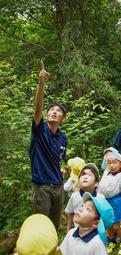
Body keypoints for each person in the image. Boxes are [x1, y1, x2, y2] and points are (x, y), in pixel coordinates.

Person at [29, 62, 67, 230]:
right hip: (42, 187)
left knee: (53, 227)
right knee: (41, 228)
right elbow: (37, 109)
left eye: (58, 111)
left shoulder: (63, 138)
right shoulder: (39, 131)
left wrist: (63, 168)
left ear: (62, 118)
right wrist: (41, 84)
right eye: (51, 109)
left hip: (58, 187)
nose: (53, 111)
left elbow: (60, 160)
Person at [97, 149, 121, 254]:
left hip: (115, 201)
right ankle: (112, 241)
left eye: (114, 163)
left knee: (116, 225)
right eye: (109, 163)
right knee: (108, 224)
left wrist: (120, 161)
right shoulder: (106, 172)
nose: (111, 165)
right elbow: (105, 164)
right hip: (104, 200)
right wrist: (109, 158)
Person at [65, 163, 103, 232]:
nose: (85, 177)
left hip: (95, 231)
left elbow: (104, 216)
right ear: (78, 181)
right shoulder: (74, 196)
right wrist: (68, 229)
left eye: (90, 175)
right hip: (77, 230)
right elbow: (71, 213)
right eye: (83, 174)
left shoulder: (100, 198)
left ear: (96, 183)